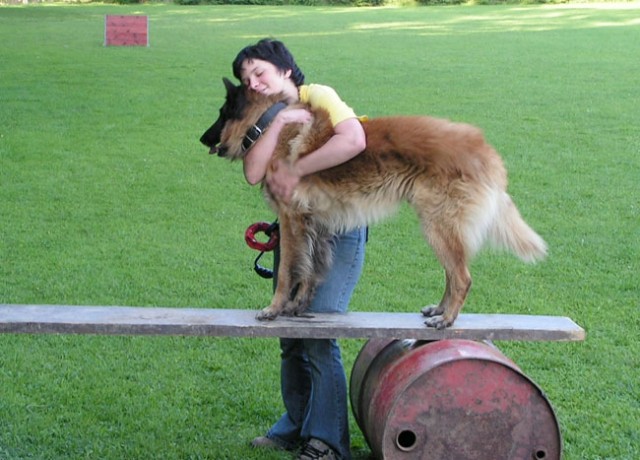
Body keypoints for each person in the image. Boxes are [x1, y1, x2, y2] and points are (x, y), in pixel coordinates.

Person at [231, 39, 367, 460]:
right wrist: (276, 122)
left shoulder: (318, 96)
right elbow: (253, 172)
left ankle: (326, 442)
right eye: (247, 79)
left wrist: (295, 168)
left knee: (319, 331)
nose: (254, 83)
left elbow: (355, 139)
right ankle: (295, 427)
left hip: (337, 228)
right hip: (294, 231)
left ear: (285, 70)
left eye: (260, 73)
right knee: (290, 336)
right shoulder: (261, 114)